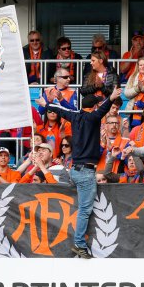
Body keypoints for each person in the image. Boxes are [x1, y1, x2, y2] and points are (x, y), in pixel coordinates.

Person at [44, 86, 122, 258]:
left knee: (81, 208)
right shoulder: (93, 117)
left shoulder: (75, 116)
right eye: (96, 106)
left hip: (75, 169)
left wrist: (46, 104)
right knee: (84, 210)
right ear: (93, 107)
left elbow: (61, 110)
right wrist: (111, 97)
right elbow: (103, 109)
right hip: (85, 171)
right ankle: (79, 244)